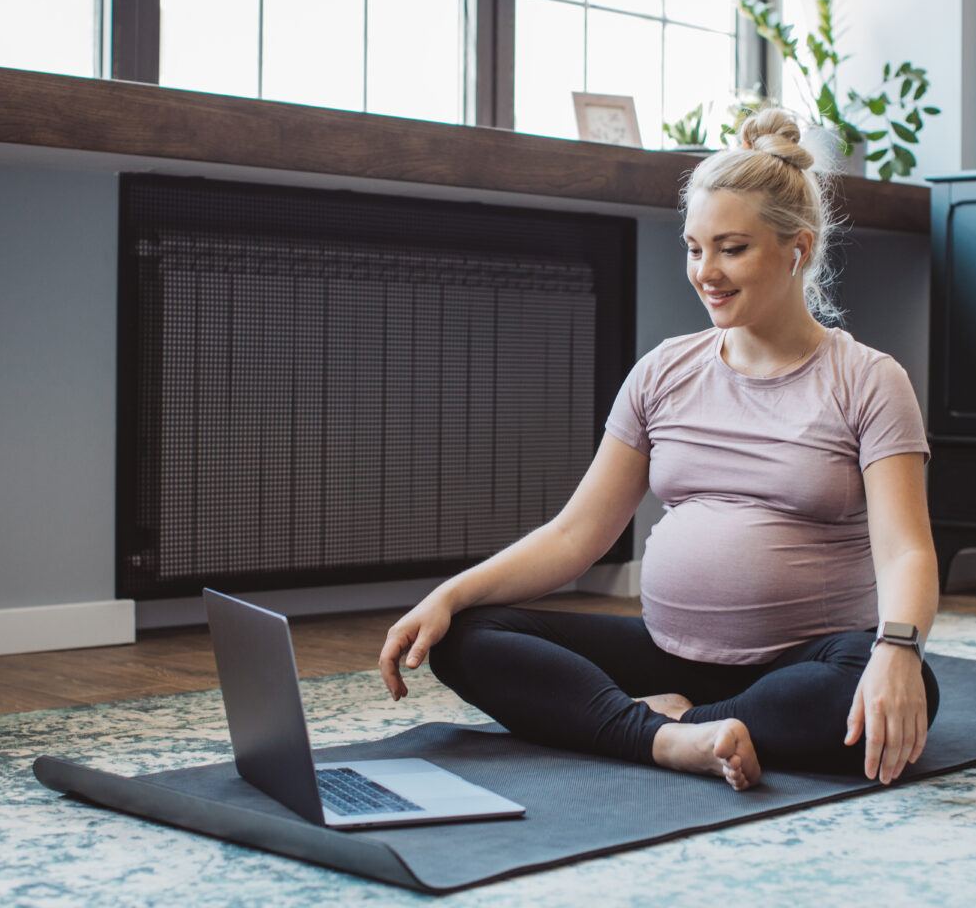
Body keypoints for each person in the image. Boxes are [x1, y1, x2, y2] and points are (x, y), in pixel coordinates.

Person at [378, 106, 940, 792]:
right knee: (466, 636)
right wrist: (447, 594)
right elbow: (575, 534)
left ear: (796, 249)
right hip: (665, 651)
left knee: (891, 687)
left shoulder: (869, 380)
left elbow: (906, 549)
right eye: (694, 247)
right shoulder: (663, 371)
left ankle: (658, 725)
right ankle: (673, 737)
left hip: (806, 662)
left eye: (732, 248)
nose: (706, 271)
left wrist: (899, 649)